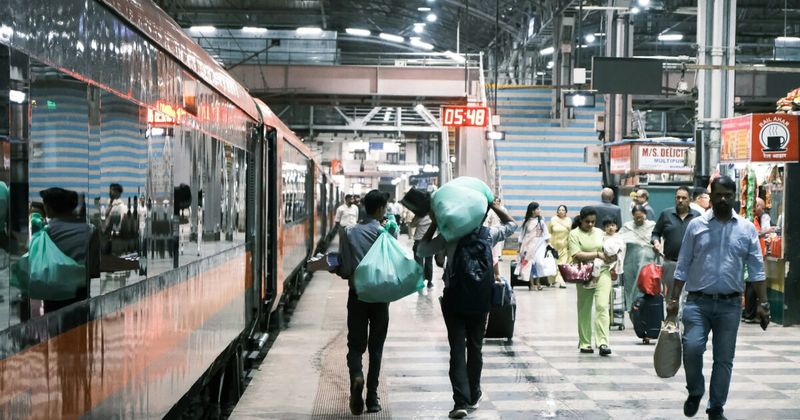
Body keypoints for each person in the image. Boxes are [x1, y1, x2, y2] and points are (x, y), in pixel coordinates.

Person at [667, 176, 769, 420]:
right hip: (697, 302)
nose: (723, 199)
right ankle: (695, 390)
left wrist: (763, 304)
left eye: (728, 195)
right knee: (692, 348)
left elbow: (757, 269)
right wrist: (673, 300)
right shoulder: (696, 226)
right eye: (718, 195)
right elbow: (683, 264)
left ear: (734, 198)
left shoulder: (746, 228)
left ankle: (716, 408)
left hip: (730, 305)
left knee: (724, 359)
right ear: (710, 197)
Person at [416, 200, 516, 419]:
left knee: (457, 349)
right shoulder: (489, 234)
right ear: (481, 216)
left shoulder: (450, 235)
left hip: (454, 299)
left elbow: (422, 250)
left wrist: (435, 223)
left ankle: (460, 401)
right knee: (475, 347)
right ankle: (474, 395)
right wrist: (492, 205)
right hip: (480, 301)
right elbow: (512, 225)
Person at [335, 190, 391, 415]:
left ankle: (356, 375)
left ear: (365, 208)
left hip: (357, 294)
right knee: (376, 348)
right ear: (381, 209)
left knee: (356, 346)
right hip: (380, 297)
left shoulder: (349, 232)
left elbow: (345, 268)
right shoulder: (384, 233)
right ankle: (373, 397)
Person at [39, 187, 101, 313]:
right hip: (80, 294)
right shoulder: (90, 230)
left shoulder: (46, 231)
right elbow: (94, 269)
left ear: (49, 207)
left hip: (53, 296)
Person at [569, 206, 615, 356]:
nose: (590, 224)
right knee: (584, 307)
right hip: (584, 273)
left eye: (593, 222)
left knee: (602, 305)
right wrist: (597, 254)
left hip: (603, 271)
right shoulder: (574, 234)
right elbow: (576, 254)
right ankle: (585, 342)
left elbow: (609, 247)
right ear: (581, 221)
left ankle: (603, 342)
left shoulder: (600, 232)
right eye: (587, 222)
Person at [651, 186, 701, 295]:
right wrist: (656, 242)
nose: (680, 200)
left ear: (690, 200)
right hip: (670, 264)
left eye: (684, 198)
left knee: (689, 297)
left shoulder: (697, 216)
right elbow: (655, 233)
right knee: (671, 298)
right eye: (678, 198)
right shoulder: (666, 214)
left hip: (691, 265)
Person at [620, 204, 657, 310]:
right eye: (637, 217)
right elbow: (619, 240)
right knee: (630, 285)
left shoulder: (652, 226)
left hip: (647, 262)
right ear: (633, 216)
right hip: (630, 261)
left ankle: (645, 310)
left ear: (645, 215)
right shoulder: (627, 227)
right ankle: (631, 309)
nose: (639, 219)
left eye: (641, 217)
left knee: (645, 285)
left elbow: (658, 239)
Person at [743, 197, 774, 322]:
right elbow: (754, 234)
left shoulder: (758, 219)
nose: (762, 209)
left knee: (752, 283)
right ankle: (749, 314)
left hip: (757, 255)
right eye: (760, 206)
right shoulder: (751, 220)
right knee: (751, 284)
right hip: (752, 256)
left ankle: (749, 313)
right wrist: (766, 231)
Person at [517, 202, 550, 290]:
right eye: (538, 209)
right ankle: (531, 284)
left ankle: (538, 282)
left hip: (539, 246)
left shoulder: (541, 221)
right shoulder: (526, 222)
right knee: (529, 264)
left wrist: (548, 245)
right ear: (532, 211)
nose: (540, 210)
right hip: (527, 246)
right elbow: (522, 234)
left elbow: (546, 234)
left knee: (538, 264)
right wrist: (519, 247)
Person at [589, 218, 624, 289]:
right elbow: (599, 247)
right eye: (607, 226)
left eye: (612, 225)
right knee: (596, 263)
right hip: (603, 257)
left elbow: (622, 249)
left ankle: (614, 284)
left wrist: (616, 257)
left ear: (616, 227)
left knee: (613, 280)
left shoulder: (619, 237)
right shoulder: (602, 236)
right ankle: (595, 279)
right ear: (604, 228)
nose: (610, 227)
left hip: (614, 259)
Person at [548, 204, 571, 288]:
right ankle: (552, 281)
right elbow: (549, 232)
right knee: (553, 264)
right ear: (557, 211)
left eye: (563, 210)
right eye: (559, 210)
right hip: (554, 247)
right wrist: (548, 244)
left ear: (566, 212)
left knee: (562, 265)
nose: (561, 211)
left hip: (564, 246)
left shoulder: (568, 220)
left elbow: (570, 233)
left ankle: (561, 282)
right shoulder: (553, 220)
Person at [410, 212, 434, 288]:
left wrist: (416, 217)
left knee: (419, 263)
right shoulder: (433, 215)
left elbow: (412, 225)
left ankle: (420, 281)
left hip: (419, 241)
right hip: (429, 241)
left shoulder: (419, 215)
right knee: (429, 262)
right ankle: (429, 282)